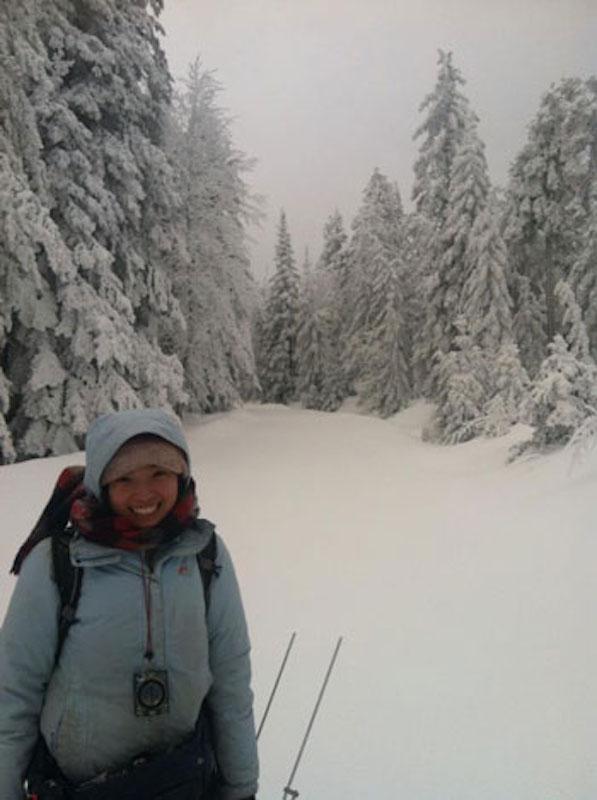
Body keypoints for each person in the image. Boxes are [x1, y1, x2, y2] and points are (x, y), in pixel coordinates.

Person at [0, 408, 259, 800]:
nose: (144, 494)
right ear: (101, 484)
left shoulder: (205, 555)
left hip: (185, 783)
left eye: (159, 473)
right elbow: (13, 693)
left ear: (181, 475)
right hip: (79, 789)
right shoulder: (57, 563)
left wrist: (241, 787)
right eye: (124, 478)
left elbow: (231, 683)